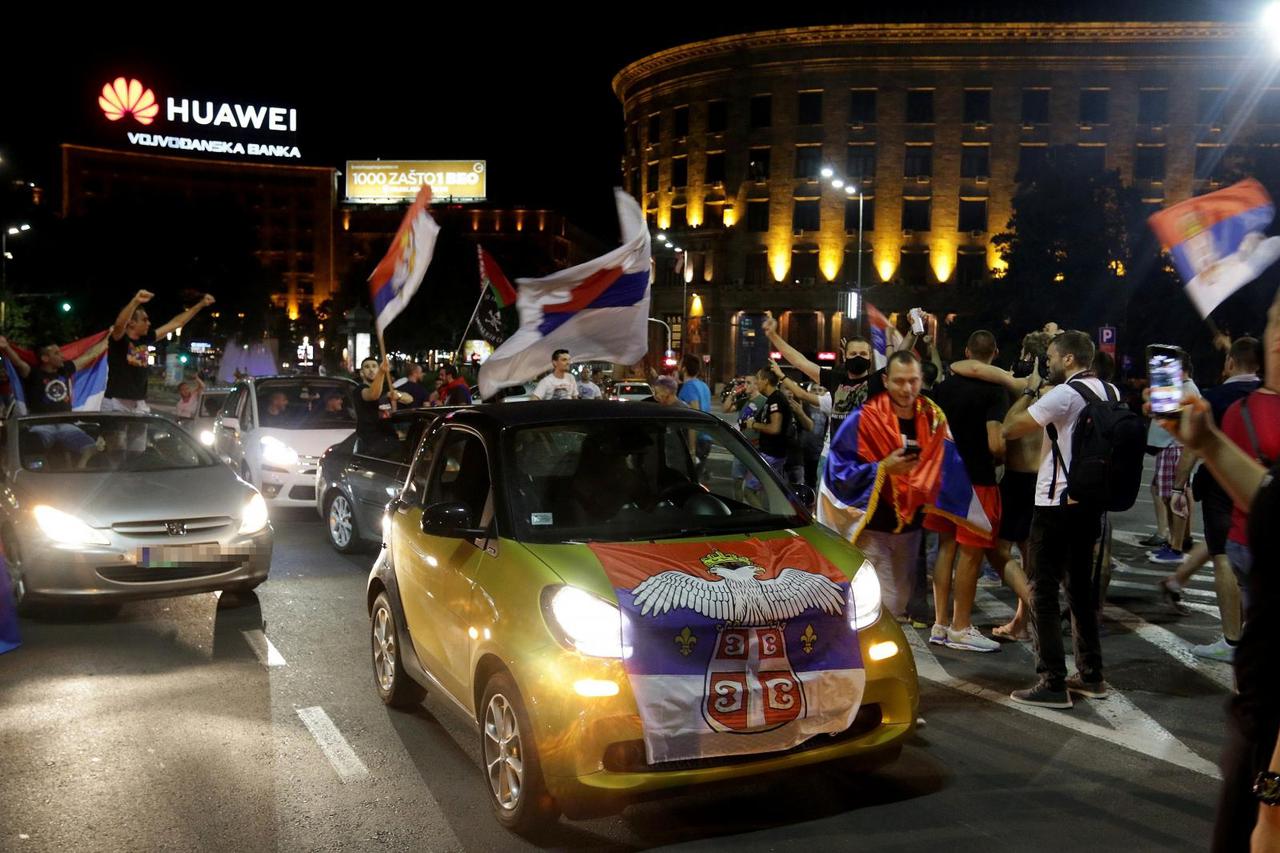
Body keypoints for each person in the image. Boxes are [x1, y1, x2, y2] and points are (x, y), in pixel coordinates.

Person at [821, 351, 990, 620]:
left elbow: (949, 464)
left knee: (898, 602)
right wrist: (882, 469)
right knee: (878, 604)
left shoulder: (933, 417)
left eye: (913, 381)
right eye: (899, 381)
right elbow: (837, 471)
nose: (907, 388)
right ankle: (869, 659)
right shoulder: (863, 418)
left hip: (910, 528)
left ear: (921, 379)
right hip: (871, 527)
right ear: (886, 380)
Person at [1002, 330, 1117, 708]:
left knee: (1043, 591)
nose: (1047, 363)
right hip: (1089, 503)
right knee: (1081, 590)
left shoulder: (1065, 394)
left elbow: (1010, 428)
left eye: (1051, 357)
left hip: (1054, 503)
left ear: (1069, 359)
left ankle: (1051, 680)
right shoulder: (1110, 392)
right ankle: (1091, 674)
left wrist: (1033, 389)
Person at [1160, 337, 1261, 662]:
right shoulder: (1269, 397)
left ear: (1230, 362)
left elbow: (1195, 444)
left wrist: (1179, 486)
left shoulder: (1216, 398)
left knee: (1222, 554)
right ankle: (1180, 578)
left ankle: (1232, 640)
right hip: (1263, 486)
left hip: (1222, 485)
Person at [950, 330, 1048, 640]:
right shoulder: (1060, 392)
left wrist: (1018, 380)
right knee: (1031, 557)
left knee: (997, 551)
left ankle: (1037, 608)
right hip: (1045, 481)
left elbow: (963, 366)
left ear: (1029, 358)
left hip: (1020, 480)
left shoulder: (1022, 390)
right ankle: (1023, 623)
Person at [925, 331, 1009, 653]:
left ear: (966, 350)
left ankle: (940, 623)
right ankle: (962, 626)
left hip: (945, 479)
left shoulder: (942, 390)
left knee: (945, 548)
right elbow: (995, 443)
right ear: (995, 353)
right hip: (977, 479)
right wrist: (1002, 453)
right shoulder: (994, 392)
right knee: (971, 555)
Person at [104, 289, 215, 413]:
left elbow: (176, 323)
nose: (149, 323)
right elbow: (119, 325)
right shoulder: (119, 340)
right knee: (115, 433)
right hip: (116, 402)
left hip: (138, 402)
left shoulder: (145, 340)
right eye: (144, 320)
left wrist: (201, 304)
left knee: (139, 432)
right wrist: (135, 301)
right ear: (131, 323)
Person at [0, 335, 107, 462]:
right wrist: (6, 346)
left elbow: (89, 355)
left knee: (93, 449)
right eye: (56, 353)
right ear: (45, 358)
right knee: (31, 449)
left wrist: (108, 339)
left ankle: (78, 471)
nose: (61, 356)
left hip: (66, 425)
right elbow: (17, 361)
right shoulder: (32, 373)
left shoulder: (65, 370)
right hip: (41, 425)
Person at [1142, 362, 1202, 563]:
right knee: (1169, 497)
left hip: (1174, 446)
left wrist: (1149, 400)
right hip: (1171, 446)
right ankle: (1173, 543)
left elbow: (1165, 415)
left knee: (1175, 498)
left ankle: (1176, 548)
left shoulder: (1187, 388)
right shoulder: (1183, 387)